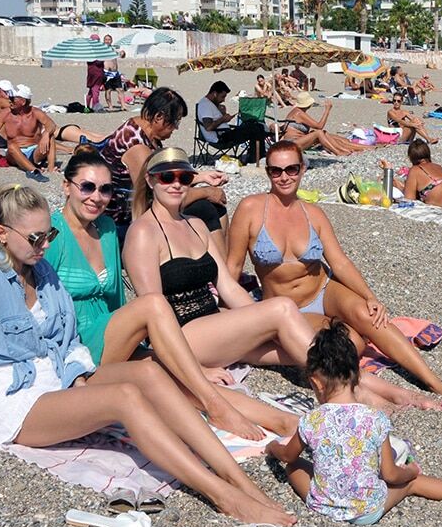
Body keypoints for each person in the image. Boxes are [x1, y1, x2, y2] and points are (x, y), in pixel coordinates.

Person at [0, 185, 293, 526]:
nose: (44, 245)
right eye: (35, 238)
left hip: (60, 381)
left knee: (152, 375)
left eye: (49, 235)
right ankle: (221, 494)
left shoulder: (42, 272)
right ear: (2, 234)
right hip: (20, 401)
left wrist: (79, 374)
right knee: (124, 398)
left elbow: (70, 340)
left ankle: (238, 479)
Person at [46, 146, 296, 440]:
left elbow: (115, 299)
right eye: (87, 187)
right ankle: (214, 404)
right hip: (75, 343)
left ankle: (284, 422)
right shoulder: (51, 234)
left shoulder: (107, 228)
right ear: (66, 186)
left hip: (111, 336)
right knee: (161, 323)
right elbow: (37, 308)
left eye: (105, 189)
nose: (96, 197)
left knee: (176, 378)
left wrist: (136, 341)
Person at [123, 147, 356, 416]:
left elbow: (227, 286)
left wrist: (261, 318)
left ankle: (361, 386)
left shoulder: (195, 224)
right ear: (151, 181)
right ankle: (344, 399)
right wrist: (195, 370)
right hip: (181, 337)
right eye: (167, 178)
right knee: (281, 309)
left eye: (184, 178)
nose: (176, 184)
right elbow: (151, 313)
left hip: (212, 326)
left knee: (295, 346)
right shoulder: (143, 232)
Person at [227, 141, 442, 401]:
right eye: (276, 171)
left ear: (302, 169)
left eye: (291, 169)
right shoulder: (250, 209)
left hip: (323, 289)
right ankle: (373, 386)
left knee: (369, 315)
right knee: (353, 345)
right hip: (288, 306)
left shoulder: (313, 213)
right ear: (268, 172)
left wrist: (370, 296)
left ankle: (433, 382)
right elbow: (232, 266)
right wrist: (232, 320)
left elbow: (340, 262)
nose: (284, 177)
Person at [266, 321, 442, 526]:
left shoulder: (312, 420)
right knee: (413, 483)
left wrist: (273, 448)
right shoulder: (375, 419)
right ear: (356, 376)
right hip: (367, 511)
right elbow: (390, 475)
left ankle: (330, 494)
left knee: (294, 466)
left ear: (316, 383)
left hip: (324, 506)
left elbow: (288, 456)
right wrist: (409, 473)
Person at [97, 88, 230, 246]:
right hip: (124, 222)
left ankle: (225, 266)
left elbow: (163, 178)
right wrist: (206, 192)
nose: (176, 128)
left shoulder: (145, 132)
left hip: (142, 209)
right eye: (175, 122)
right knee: (207, 209)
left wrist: (201, 177)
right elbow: (159, 196)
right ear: (159, 117)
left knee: (215, 207)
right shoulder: (137, 146)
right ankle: (222, 268)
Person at [0, 84, 58, 182]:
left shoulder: (35, 112)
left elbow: (51, 125)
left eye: (12, 98)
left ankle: (51, 167)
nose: (9, 100)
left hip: (34, 152)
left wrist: (46, 134)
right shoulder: (6, 113)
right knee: (12, 146)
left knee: (50, 136)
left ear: (23, 101)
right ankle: (34, 171)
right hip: (14, 154)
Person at [280, 93, 376, 156]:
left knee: (330, 135)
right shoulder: (299, 113)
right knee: (319, 133)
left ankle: (364, 148)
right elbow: (319, 126)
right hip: (293, 144)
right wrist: (327, 110)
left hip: (301, 140)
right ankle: (338, 152)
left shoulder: (299, 112)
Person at [197, 81, 270, 163]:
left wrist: (222, 114)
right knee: (255, 128)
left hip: (223, 134)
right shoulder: (205, 105)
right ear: (215, 94)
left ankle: (256, 154)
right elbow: (208, 127)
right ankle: (255, 156)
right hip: (220, 138)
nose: (223, 100)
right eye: (222, 96)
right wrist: (223, 119)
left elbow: (213, 120)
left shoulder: (209, 104)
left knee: (253, 124)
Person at [101, 34, 126, 111]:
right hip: (107, 73)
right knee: (108, 90)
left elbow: (122, 56)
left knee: (120, 89)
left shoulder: (114, 49)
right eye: (106, 39)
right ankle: (110, 106)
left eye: (109, 39)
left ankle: (123, 106)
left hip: (115, 72)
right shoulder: (101, 49)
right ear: (104, 41)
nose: (107, 41)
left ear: (111, 41)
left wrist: (123, 53)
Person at [86, 34, 105, 110]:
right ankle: (95, 106)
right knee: (95, 90)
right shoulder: (98, 51)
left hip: (91, 73)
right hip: (97, 73)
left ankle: (86, 105)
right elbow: (98, 62)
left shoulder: (88, 51)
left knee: (91, 91)